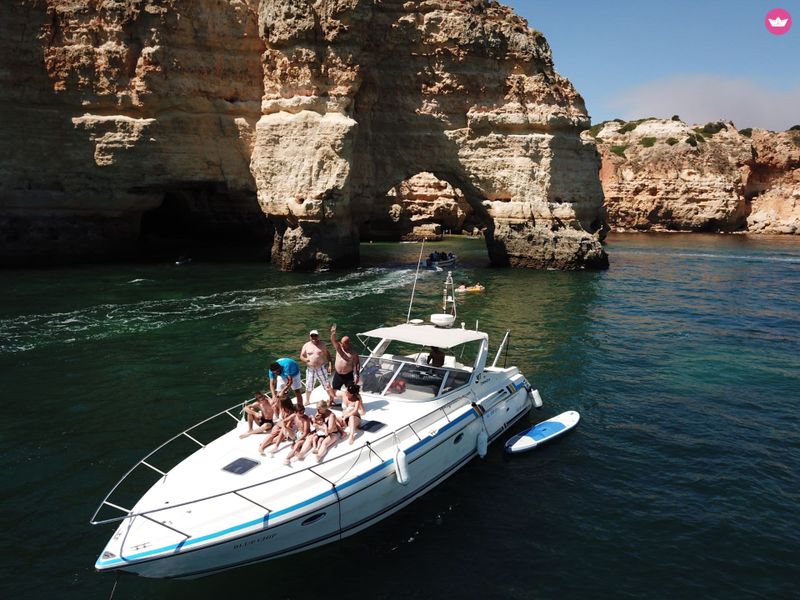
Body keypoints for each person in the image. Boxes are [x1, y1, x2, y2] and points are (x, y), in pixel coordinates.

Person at [300, 329, 334, 404]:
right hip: (310, 369)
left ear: (318, 336)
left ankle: (331, 399)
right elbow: (301, 356)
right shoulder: (306, 345)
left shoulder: (322, 345)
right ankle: (307, 400)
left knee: (326, 384)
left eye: (315, 335)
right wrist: (305, 360)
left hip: (321, 368)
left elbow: (328, 355)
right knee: (309, 386)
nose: (314, 337)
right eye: (312, 336)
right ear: (310, 336)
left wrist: (330, 365)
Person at [329, 324, 360, 403]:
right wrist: (333, 333)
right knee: (334, 389)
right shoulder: (339, 348)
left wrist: (357, 374)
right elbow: (333, 340)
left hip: (348, 374)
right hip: (338, 374)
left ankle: (356, 402)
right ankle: (331, 401)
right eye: (341, 343)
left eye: (343, 344)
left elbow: (357, 363)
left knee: (352, 390)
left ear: (347, 343)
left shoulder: (353, 352)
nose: (341, 345)